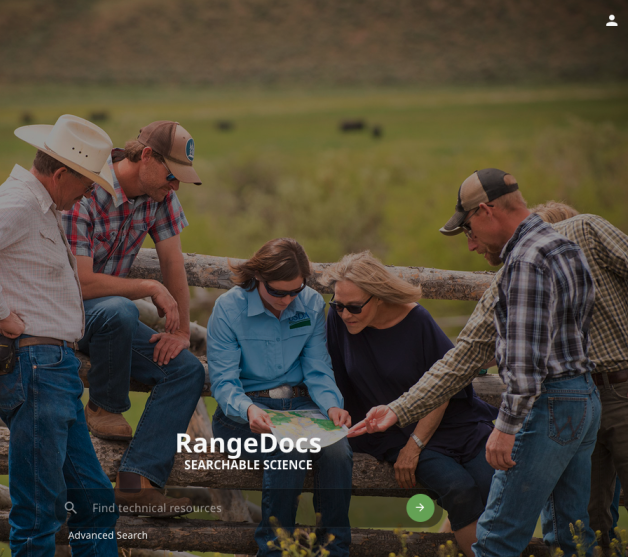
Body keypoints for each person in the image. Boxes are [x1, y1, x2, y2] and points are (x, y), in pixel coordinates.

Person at [352, 170, 601, 557]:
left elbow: (524, 359)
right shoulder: (562, 246)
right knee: (571, 534)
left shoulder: (525, 261)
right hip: (582, 398)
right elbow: (468, 354)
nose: (470, 245)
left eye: (468, 229)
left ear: (486, 210)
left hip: (545, 406)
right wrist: (398, 409)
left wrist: (505, 426)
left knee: (497, 539)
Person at [0, 115, 118, 557]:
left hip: (49, 371)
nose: (88, 193)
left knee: (94, 500)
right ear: (60, 174)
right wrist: (0, 313)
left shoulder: (34, 204)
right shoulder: (23, 202)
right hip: (37, 367)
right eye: (85, 184)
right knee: (39, 512)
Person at [62, 120, 205, 515]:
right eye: (172, 175)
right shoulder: (86, 192)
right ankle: (104, 407)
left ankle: (136, 483)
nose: (174, 186)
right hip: (64, 315)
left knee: (187, 370)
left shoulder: (158, 196)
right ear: (145, 156)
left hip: (112, 320)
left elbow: (173, 264)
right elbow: (83, 285)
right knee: (120, 309)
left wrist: (178, 332)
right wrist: (147, 288)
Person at [323, 251, 497, 557]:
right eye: (337, 305)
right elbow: (331, 375)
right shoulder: (338, 321)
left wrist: (415, 445)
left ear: (378, 298)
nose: (344, 313)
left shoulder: (417, 321)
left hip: (448, 422)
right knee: (459, 490)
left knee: (494, 485)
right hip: (388, 431)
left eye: (353, 307)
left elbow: (446, 385)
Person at [207, 238, 353, 557]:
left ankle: (334, 549)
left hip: (302, 408)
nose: (287, 299)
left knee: (339, 451)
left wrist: (332, 405)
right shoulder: (229, 308)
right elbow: (224, 383)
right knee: (290, 453)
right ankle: (274, 551)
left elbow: (317, 367)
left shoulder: (312, 304)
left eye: (295, 291)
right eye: (278, 292)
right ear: (259, 278)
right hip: (242, 416)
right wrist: (248, 410)